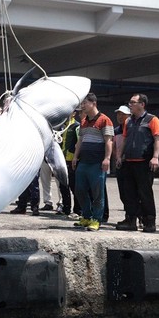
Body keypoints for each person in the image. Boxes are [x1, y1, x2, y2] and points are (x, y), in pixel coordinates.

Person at [115, 93, 159, 232]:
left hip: (144, 162)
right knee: (129, 193)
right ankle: (130, 220)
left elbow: (157, 139)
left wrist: (155, 157)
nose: (130, 104)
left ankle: (149, 221)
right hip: (129, 161)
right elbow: (124, 139)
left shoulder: (152, 120)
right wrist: (119, 156)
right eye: (130, 102)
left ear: (142, 104)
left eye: (133, 102)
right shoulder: (128, 121)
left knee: (145, 193)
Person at [71, 93, 114, 232]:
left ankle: (96, 220)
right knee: (80, 190)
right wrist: (75, 157)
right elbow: (80, 141)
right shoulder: (84, 122)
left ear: (93, 103)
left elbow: (109, 141)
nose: (82, 106)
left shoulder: (105, 120)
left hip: (97, 163)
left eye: (85, 103)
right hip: (84, 162)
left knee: (97, 193)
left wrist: (107, 158)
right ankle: (86, 216)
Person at [57, 109, 81, 217]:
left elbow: (79, 143)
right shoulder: (62, 126)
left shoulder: (76, 126)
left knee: (74, 185)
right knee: (63, 185)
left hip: (71, 160)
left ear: (74, 114)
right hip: (62, 159)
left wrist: (76, 157)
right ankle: (66, 208)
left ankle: (77, 210)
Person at [113, 105, 131, 219]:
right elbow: (113, 146)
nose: (120, 116)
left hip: (131, 163)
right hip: (120, 164)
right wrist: (117, 157)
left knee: (132, 192)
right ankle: (128, 215)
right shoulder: (116, 130)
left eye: (123, 114)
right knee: (123, 192)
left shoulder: (132, 128)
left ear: (129, 115)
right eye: (118, 114)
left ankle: (137, 216)